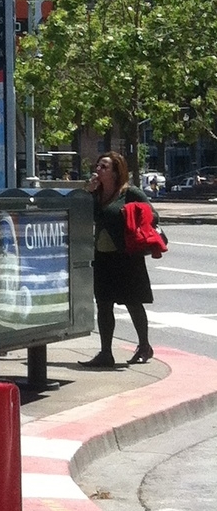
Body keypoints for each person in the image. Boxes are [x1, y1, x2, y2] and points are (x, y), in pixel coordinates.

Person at [85, 149, 156, 368]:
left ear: (116, 172)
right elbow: (85, 215)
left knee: (133, 302)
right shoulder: (96, 194)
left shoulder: (130, 192)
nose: (98, 169)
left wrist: (129, 215)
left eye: (104, 166)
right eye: (97, 165)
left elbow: (152, 215)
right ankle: (106, 352)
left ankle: (144, 346)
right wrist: (88, 192)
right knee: (104, 305)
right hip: (102, 257)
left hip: (126, 257)